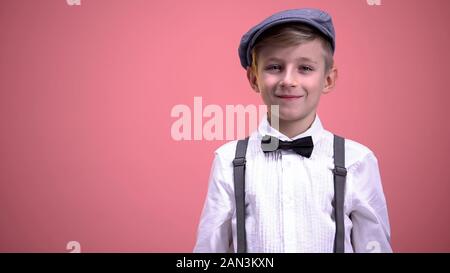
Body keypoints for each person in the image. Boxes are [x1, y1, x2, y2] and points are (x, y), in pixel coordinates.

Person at [193, 8, 392, 253]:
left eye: (305, 68)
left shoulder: (357, 161)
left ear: (328, 79)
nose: (288, 80)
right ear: (254, 78)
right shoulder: (228, 160)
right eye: (274, 67)